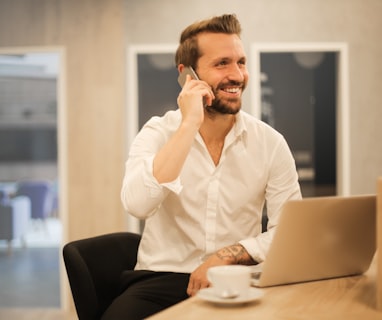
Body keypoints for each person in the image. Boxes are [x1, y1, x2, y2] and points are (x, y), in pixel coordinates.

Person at [104, 13, 301, 320]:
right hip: (161, 279)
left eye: (241, 62)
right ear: (188, 75)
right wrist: (189, 124)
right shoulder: (158, 132)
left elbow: (288, 232)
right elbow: (138, 205)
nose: (237, 75)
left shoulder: (271, 143)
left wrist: (226, 256)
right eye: (222, 63)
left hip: (237, 278)